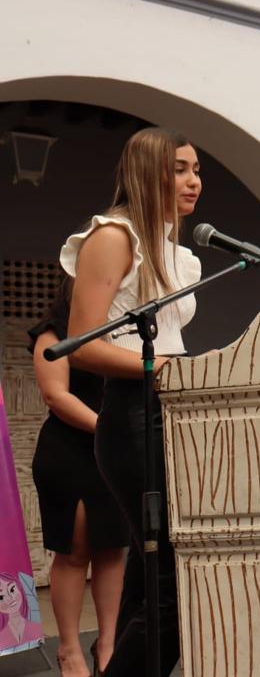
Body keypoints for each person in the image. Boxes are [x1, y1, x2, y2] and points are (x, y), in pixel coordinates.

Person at [62, 127, 202, 676]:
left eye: (197, 172)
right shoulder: (115, 236)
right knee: (172, 584)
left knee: (151, 581)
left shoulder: (176, 253)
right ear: (149, 172)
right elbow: (82, 344)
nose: (194, 182)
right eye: (180, 170)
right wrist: (165, 368)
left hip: (172, 411)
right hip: (133, 411)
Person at [29, 281, 127, 676]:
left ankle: (107, 645)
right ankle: (69, 651)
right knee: (74, 552)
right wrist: (110, 428)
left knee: (113, 550)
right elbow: (56, 395)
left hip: (116, 453)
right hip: (69, 453)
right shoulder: (53, 333)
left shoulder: (124, 331)